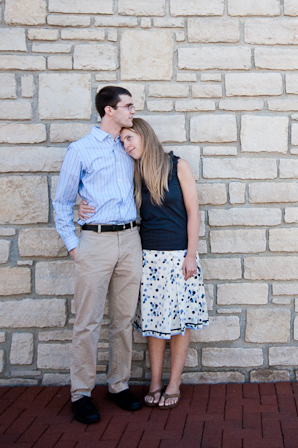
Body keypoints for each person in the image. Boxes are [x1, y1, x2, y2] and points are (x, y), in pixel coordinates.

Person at [82, 118, 208, 410]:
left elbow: (193, 212)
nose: (126, 145)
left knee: (179, 322)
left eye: (129, 138)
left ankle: (174, 383)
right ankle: (154, 383)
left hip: (179, 257)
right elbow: (109, 196)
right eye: (122, 141)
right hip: (148, 257)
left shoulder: (178, 166)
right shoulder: (134, 171)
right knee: (154, 323)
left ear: (143, 135)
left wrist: (191, 254)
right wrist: (83, 205)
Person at [52, 85, 144, 424]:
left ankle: (118, 385)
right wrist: (73, 245)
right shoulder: (81, 149)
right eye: (128, 106)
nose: (132, 111)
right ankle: (81, 393)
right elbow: (62, 201)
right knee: (87, 321)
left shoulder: (129, 146)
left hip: (131, 239)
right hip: (96, 241)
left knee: (123, 319)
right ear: (109, 110)